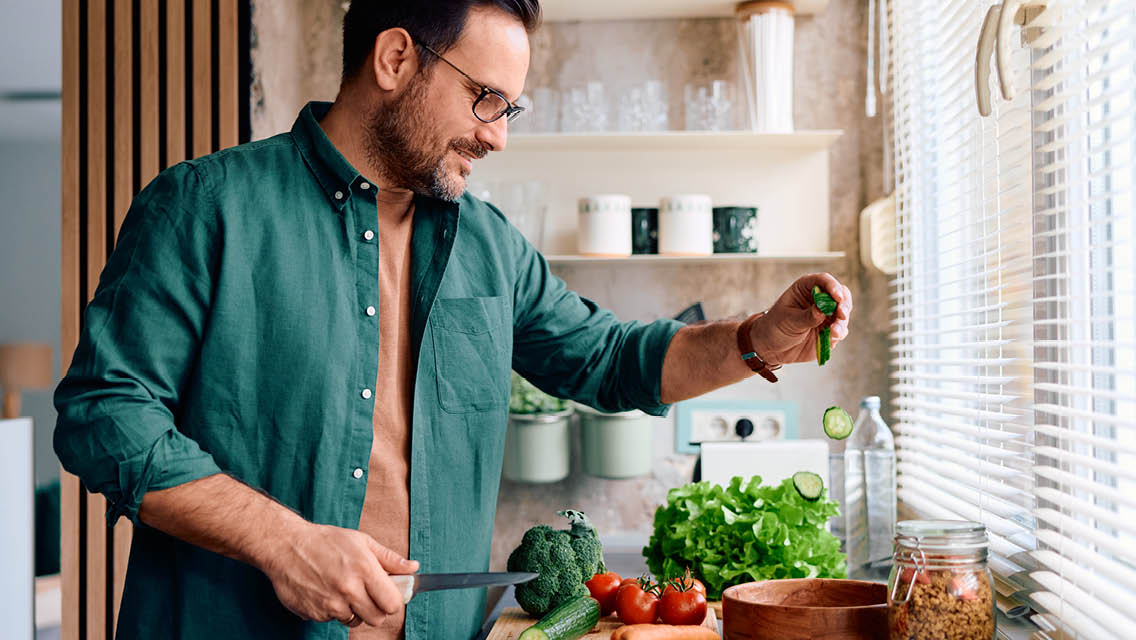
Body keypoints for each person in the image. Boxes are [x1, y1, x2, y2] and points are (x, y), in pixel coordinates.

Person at [53, 1, 852, 639]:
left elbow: (613, 361)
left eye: (511, 107)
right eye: (486, 98)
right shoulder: (206, 206)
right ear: (395, 58)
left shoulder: (491, 246)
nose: (499, 134)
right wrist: (284, 540)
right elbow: (104, 416)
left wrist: (759, 339)